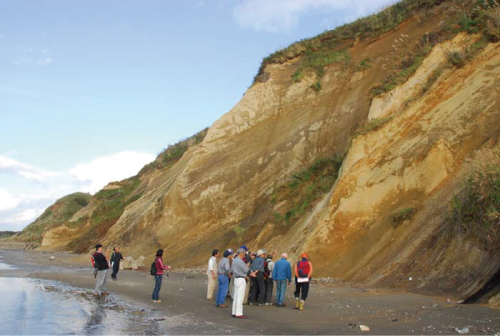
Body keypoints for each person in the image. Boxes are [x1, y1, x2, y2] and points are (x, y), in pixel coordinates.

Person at [231, 248, 256, 319]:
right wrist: (252, 274)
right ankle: (238, 313)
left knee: (236, 296)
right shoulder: (240, 261)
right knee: (240, 297)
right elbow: (246, 269)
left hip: (236, 278)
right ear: (241, 254)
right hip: (241, 279)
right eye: (244, 254)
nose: (244, 255)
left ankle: (234, 311)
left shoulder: (234, 260)